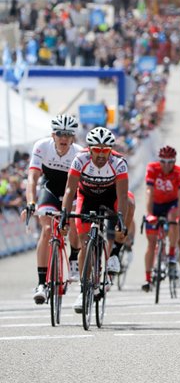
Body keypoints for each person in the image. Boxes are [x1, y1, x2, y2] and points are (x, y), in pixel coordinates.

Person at [60, 127, 134, 313]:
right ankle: (84, 289)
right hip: (87, 196)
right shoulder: (80, 160)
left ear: (110, 150)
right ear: (90, 149)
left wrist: (120, 221)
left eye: (105, 150)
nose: (101, 154)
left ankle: (116, 250)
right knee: (85, 242)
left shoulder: (118, 162)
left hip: (111, 196)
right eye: (97, 150)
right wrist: (64, 216)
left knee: (130, 203)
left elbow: (123, 196)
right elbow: (70, 190)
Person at [24, 114, 83, 304]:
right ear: (53, 135)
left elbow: (80, 187)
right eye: (60, 134)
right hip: (49, 189)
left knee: (74, 221)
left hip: (71, 192)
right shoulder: (42, 146)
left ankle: (74, 258)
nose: (64, 138)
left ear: (73, 136)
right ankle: (41, 283)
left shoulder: (79, 153)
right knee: (47, 230)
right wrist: (31, 202)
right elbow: (33, 178)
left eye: (68, 134)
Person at [142, 146, 180, 291]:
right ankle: (148, 279)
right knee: (151, 243)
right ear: (159, 160)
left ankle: (172, 253)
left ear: (175, 161)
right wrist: (149, 213)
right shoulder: (152, 168)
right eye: (163, 161)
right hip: (155, 204)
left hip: (171, 204)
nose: (167, 165)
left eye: (170, 162)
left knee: (173, 218)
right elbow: (149, 191)